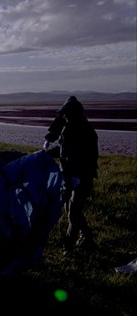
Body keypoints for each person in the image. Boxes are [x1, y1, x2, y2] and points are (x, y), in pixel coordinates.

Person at [43, 96, 98, 253]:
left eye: (66, 113)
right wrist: (47, 153)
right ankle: (87, 238)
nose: (63, 116)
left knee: (73, 211)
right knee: (72, 209)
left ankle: (68, 246)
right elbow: (64, 151)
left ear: (73, 114)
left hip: (81, 178)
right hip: (71, 176)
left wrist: (77, 177)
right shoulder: (70, 129)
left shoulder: (85, 131)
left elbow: (88, 157)